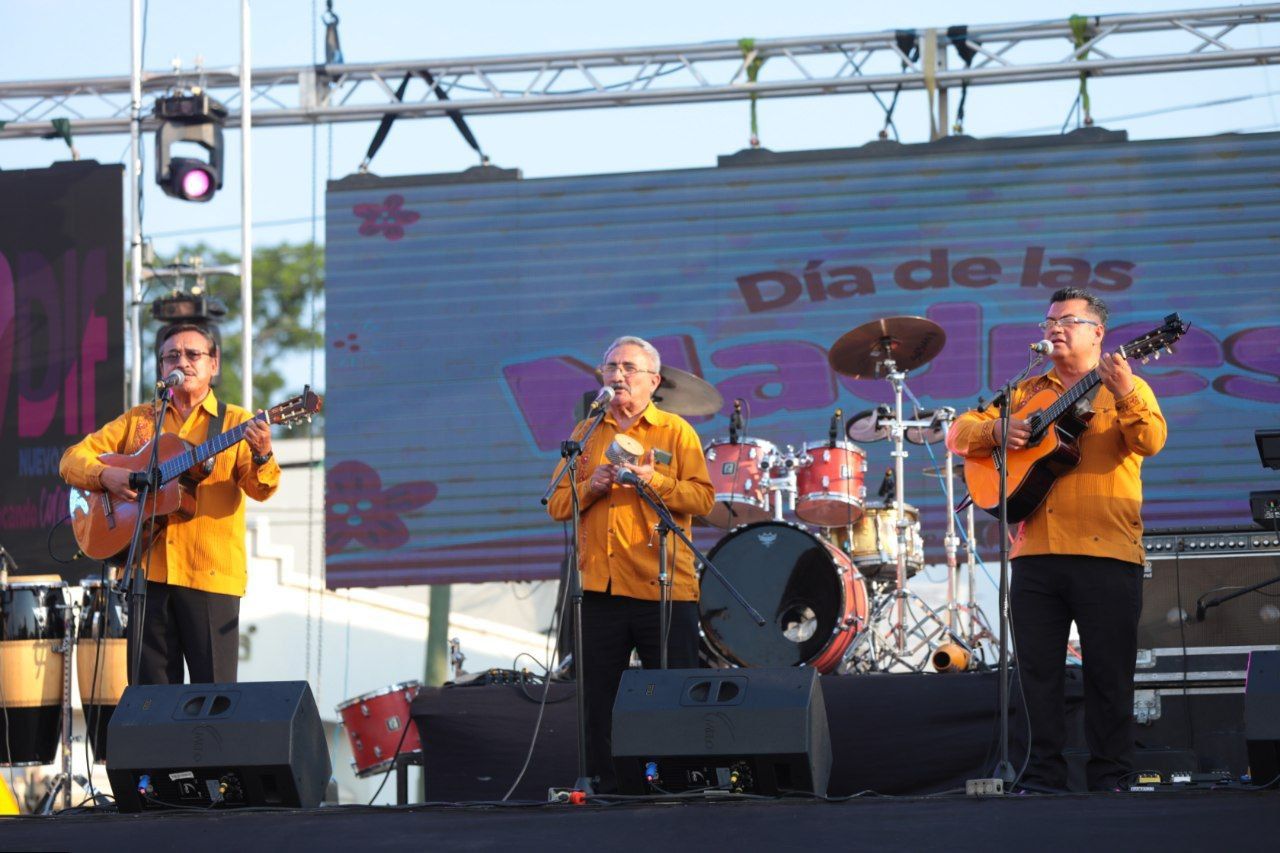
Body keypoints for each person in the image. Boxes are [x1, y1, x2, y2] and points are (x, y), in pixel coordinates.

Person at [947, 287, 1166, 792]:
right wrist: (1001, 432)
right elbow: (960, 433)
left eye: (1067, 320)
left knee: (1109, 676)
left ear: (1098, 334)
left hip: (1107, 551)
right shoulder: (1025, 392)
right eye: (1049, 321)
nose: (1054, 329)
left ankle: (1111, 775)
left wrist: (1128, 390)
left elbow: (1151, 441)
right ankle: (1041, 775)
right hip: (1035, 553)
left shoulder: (1128, 385)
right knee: (1036, 676)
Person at [60, 323, 279, 685]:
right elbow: (71, 459)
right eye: (172, 356)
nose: (184, 362)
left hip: (210, 576)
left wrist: (263, 454)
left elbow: (262, 489)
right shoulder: (141, 420)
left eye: (194, 354)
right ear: (162, 369)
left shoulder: (237, 422)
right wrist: (107, 476)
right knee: (152, 706)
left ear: (214, 364)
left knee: (215, 700)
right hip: (148, 577)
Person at [547, 335, 714, 792]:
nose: (618, 376)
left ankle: (680, 785)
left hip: (664, 588)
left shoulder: (675, 431)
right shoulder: (585, 434)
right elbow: (557, 505)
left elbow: (703, 498)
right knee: (599, 700)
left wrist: (654, 479)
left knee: (674, 695)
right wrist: (594, 485)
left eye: (628, 368)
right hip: (600, 588)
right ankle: (607, 788)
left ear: (653, 381)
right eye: (611, 367)